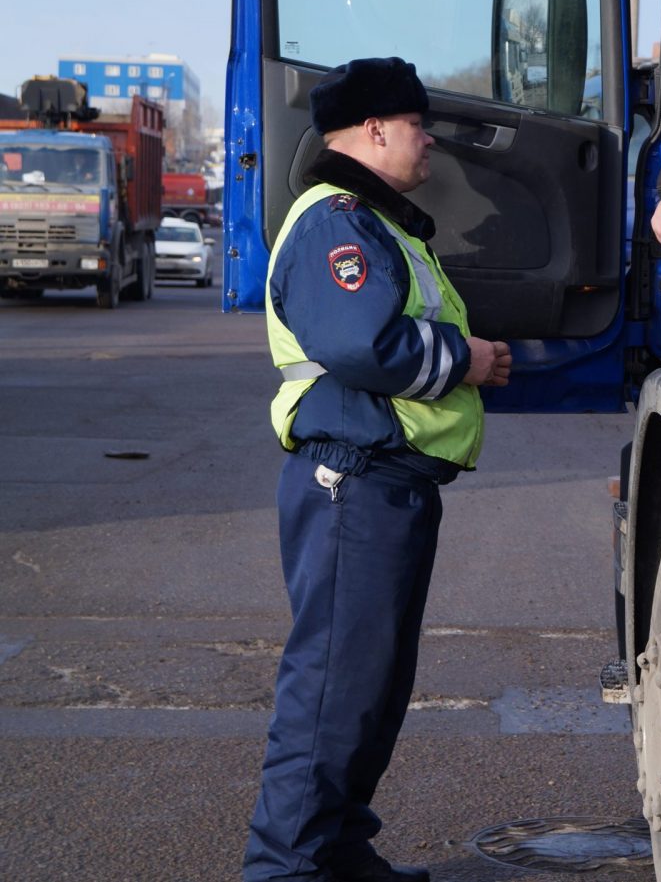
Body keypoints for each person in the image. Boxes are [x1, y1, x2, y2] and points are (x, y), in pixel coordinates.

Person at [243, 57, 512, 882]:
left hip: (383, 481)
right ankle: (285, 867)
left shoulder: (377, 222)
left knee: (369, 684)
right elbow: (363, 343)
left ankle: (334, 845)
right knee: (333, 684)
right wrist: (462, 359)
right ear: (372, 130)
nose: (427, 137)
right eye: (415, 123)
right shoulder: (337, 220)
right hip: (351, 478)